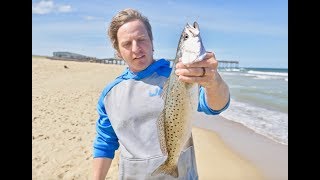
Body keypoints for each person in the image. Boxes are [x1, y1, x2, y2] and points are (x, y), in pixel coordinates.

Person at [93, 8, 230, 180]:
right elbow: (105, 142)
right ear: (118, 52)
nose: (136, 49)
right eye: (127, 44)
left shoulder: (182, 76)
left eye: (141, 40)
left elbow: (215, 106)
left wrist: (213, 82)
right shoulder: (110, 95)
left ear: (152, 42)